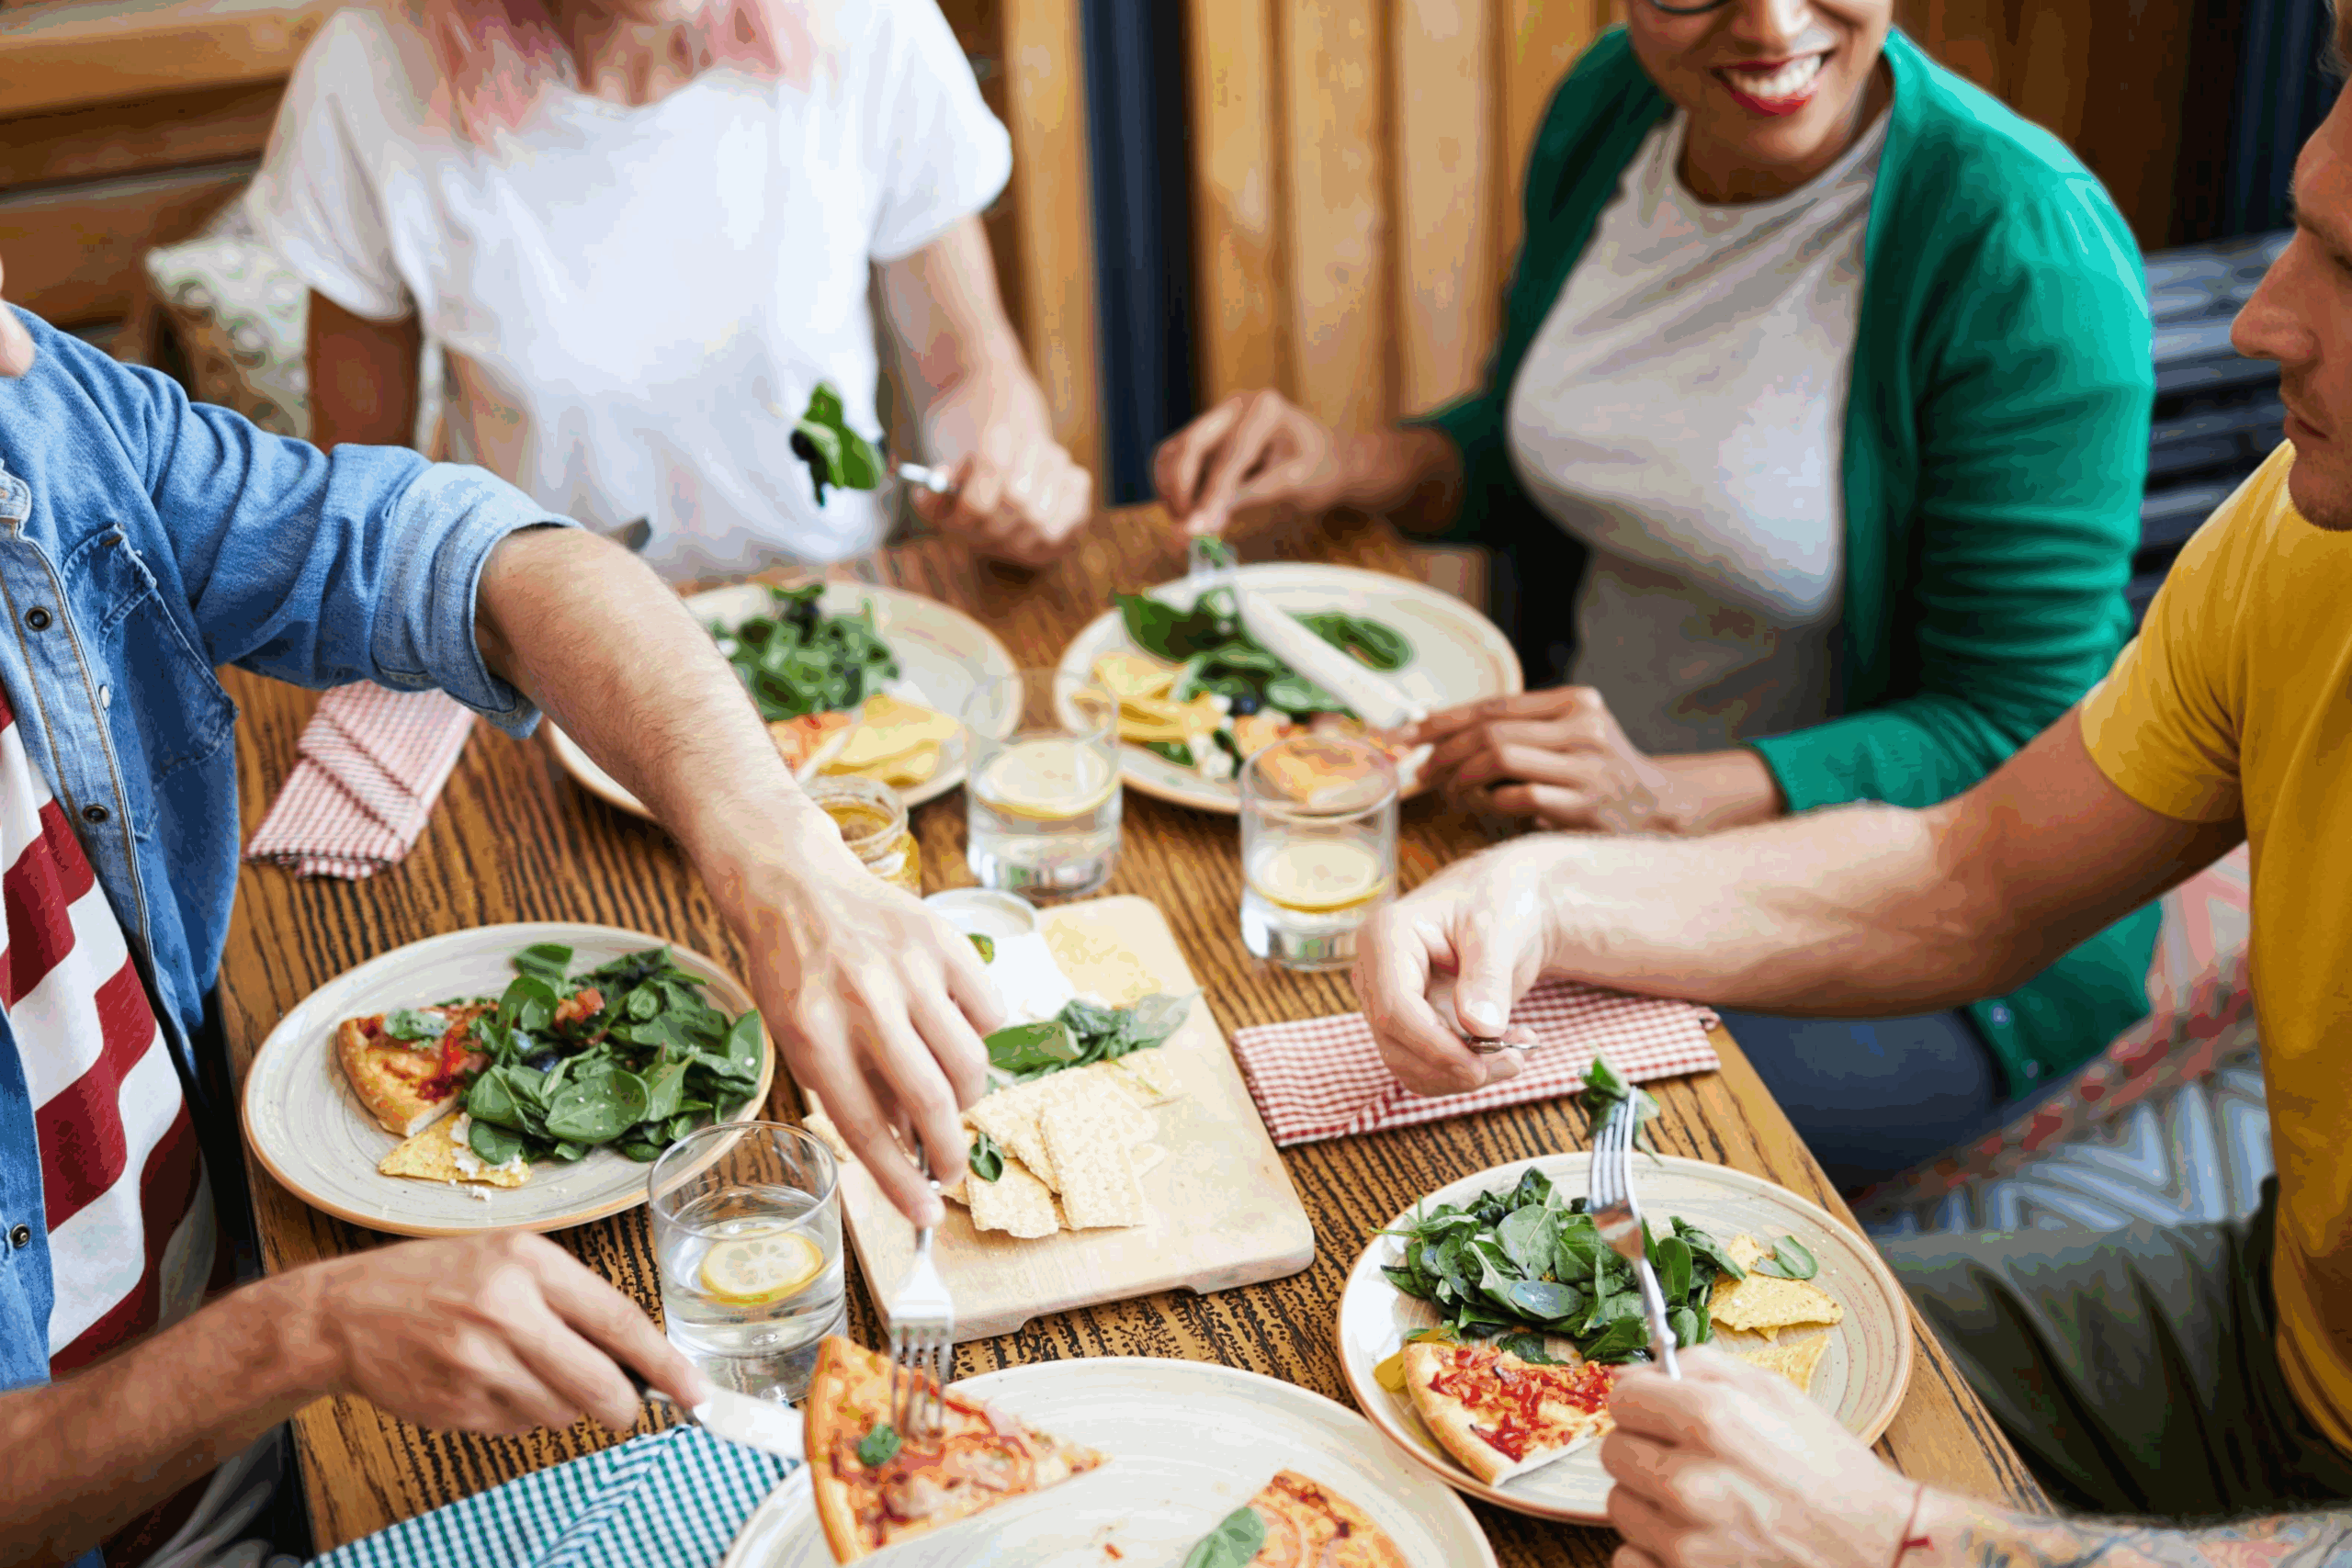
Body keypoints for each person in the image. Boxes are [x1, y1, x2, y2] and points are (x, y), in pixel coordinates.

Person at [1351, 22, 2352, 1549]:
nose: (2258, 320)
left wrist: (1893, 1540)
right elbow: (1973, 876)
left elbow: (1998, 722)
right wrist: (1550, 889)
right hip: (2269, 1331)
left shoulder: (2014, 234)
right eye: (2304, 234)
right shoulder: (2295, 536)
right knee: (1514, 1420)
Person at [0, 265, 993, 1565]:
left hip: (247, 1376)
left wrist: (777, 852)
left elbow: (479, 557)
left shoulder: (45, 423)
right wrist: (308, 1331)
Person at [1155, 0, 2158, 1191]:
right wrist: (1357, 463)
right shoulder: (1616, 109)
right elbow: (1589, 448)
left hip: (1922, 936)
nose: (1774, 24)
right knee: (1248, 1001)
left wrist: (1663, 798)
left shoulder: (2026, 246)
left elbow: (2015, 731)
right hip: (1567, 827)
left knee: (1470, 1148)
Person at [247, 0, 1090, 581]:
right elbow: (363, 499)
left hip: (839, 617)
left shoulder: (867, 24)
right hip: (545, 665)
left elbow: (966, 374)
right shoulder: (369, 77)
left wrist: (1011, 468)